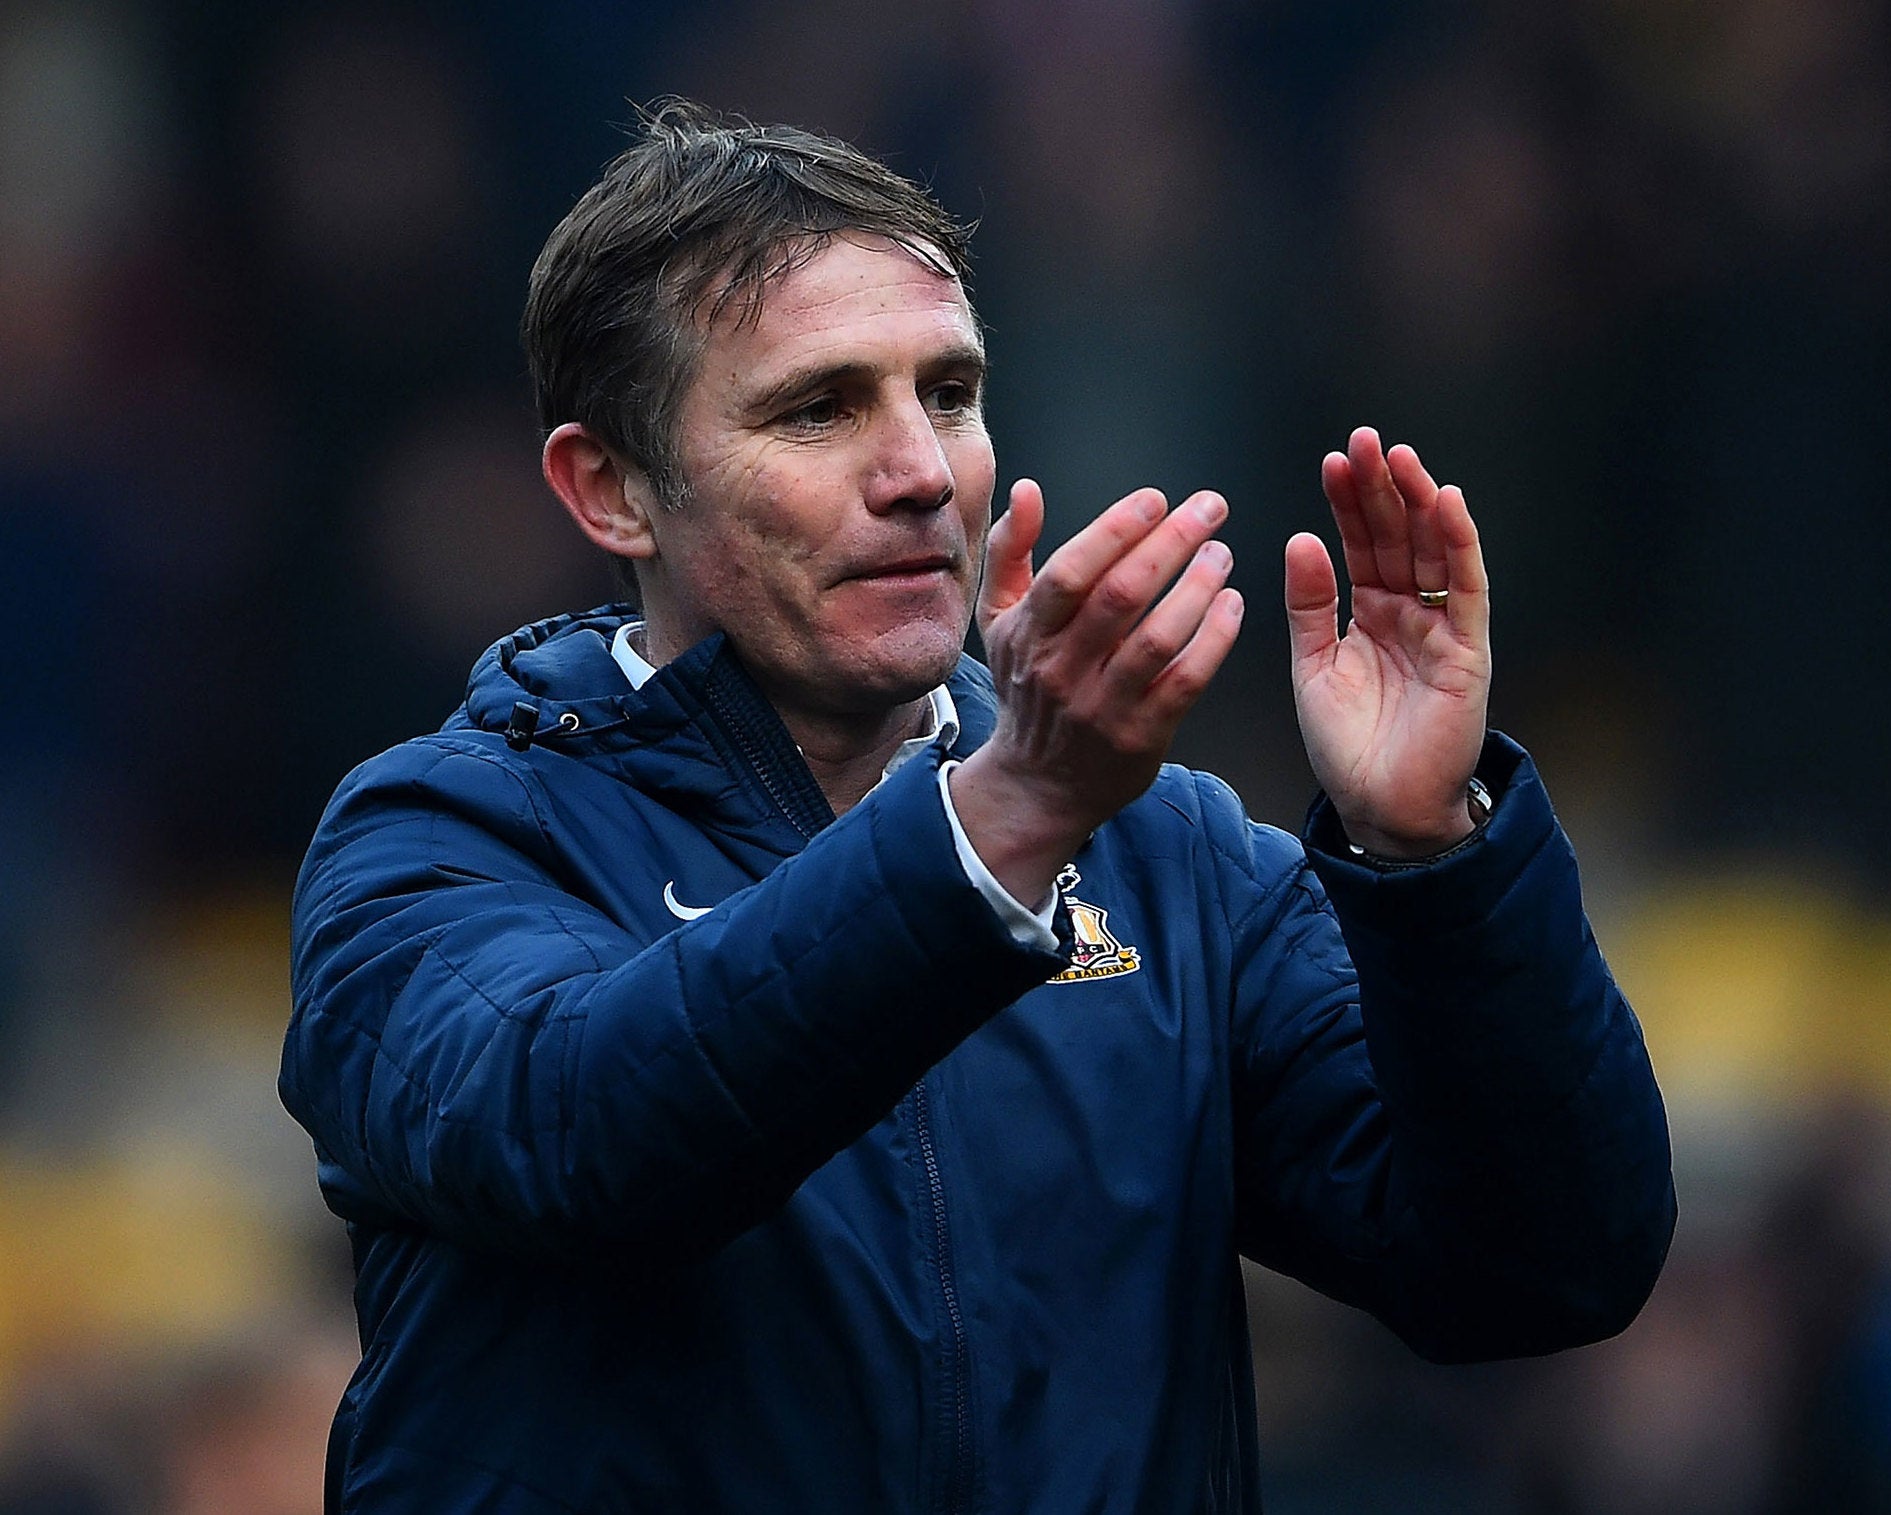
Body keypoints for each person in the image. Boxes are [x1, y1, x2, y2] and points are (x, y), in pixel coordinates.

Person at [281, 99, 1674, 1512]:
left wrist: (1429, 852)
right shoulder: (440, 844)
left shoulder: (1168, 859)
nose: (919, 474)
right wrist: (996, 827)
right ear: (611, 490)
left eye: (946, 393)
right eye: (817, 408)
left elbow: (1543, 1270)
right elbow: (587, 1141)